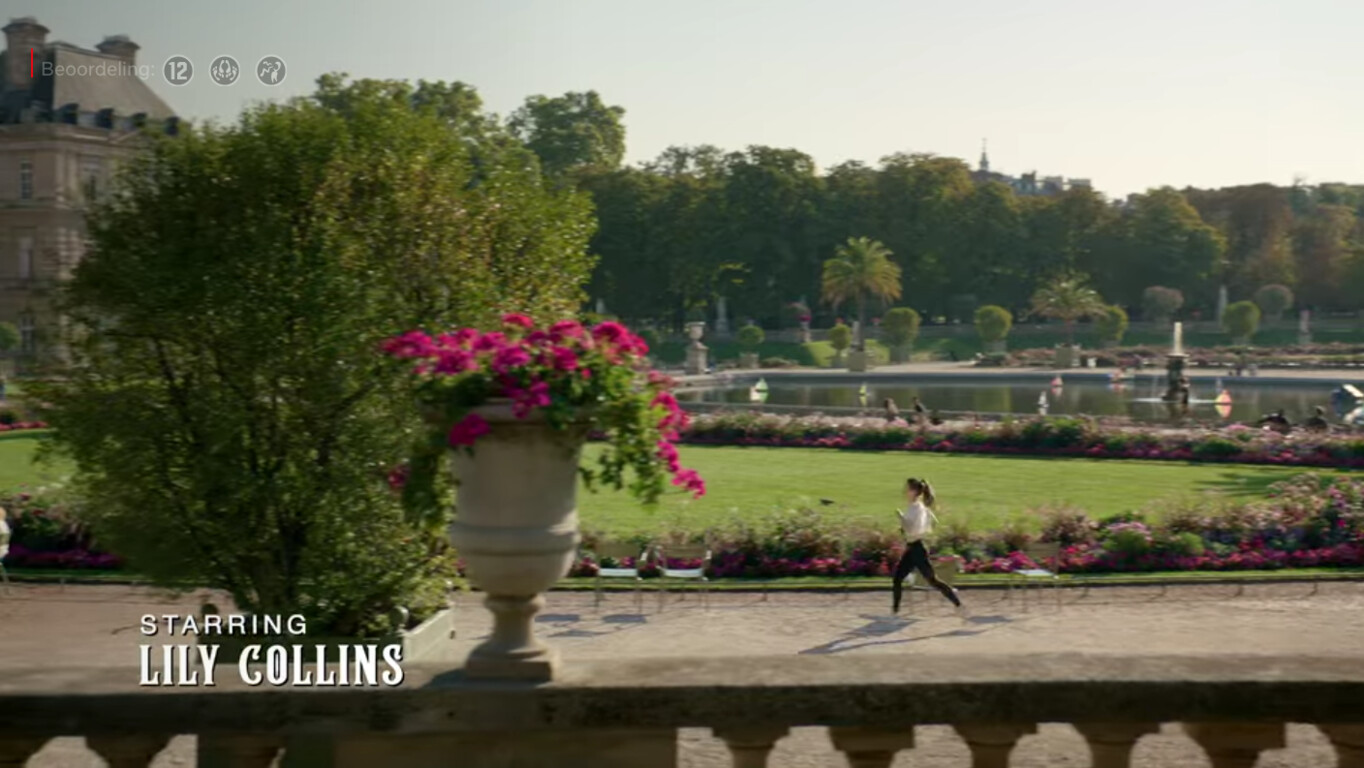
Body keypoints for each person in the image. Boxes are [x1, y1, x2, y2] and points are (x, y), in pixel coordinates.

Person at [892, 478, 964, 616]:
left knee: (933, 580)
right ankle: (895, 611)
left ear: (914, 491)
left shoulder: (917, 508)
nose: (905, 491)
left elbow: (912, 529)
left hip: (917, 549)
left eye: (907, 489)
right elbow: (932, 522)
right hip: (913, 548)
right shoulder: (916, 507)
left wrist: (902, 519)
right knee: (897, 579)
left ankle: (958, 604)